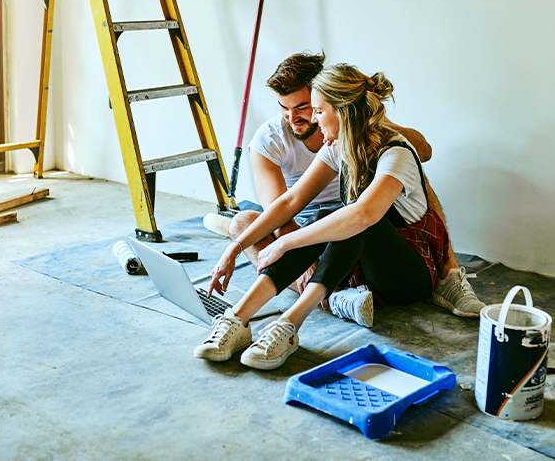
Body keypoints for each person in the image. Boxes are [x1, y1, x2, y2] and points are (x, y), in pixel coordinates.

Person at [194, 64, 472, 370]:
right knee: (327, 218)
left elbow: (364, 214)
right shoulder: (338, 147)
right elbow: (290, 201)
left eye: (317, 110)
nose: (312, 119)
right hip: (364, 268)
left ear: (342, 112)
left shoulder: (395, 152)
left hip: (411, 276)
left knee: (355, 219)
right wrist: (235, 247)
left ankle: (289, 325)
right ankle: (237, 318)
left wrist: (284, 244)